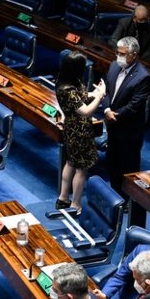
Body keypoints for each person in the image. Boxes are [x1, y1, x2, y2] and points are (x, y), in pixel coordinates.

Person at [55, 52, 107, 213]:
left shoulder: (67, 80)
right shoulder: (67, 89)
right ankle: (75, 204)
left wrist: (93, 94)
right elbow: (85, 111)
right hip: (79, 131)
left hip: (74, 127)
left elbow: (81, 97)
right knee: (81, 168)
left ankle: (63, 198)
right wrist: (100, 96)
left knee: (71, 162)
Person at [101, 37, 150, 198]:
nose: (118, 56)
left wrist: (113, 117)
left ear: (134, 55)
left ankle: (128, 199)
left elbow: (134, 106)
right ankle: (115, 196)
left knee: (128, 168)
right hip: (113, 127)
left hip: (129, 131)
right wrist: (107, 109)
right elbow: (107, 91)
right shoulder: (114, 65)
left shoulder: (143, 77)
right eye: (117, 52)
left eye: (122, 54)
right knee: (112, 164)